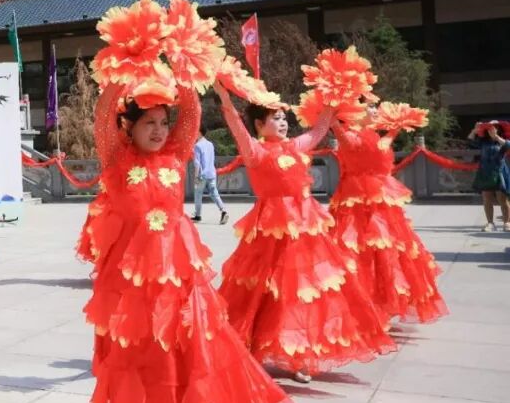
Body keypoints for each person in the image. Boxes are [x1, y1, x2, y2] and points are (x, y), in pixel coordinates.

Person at [77, 85, 299, 403]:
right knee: (133, 356)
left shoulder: (177, 155)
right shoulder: (116, 157)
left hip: (177, 273)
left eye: (164, 123)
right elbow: (102, 115)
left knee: (178, 355)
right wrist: (121, 77)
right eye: (149, 123)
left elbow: (192, 113)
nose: (159, 131)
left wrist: (183, 73)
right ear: (129, 127)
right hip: (128, 279)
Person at [213, 84, 397, 383]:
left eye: (284, 118)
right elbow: (237, 128)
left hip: (305, 230)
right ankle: (253, 346)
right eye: (275, 118)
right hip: (271, 232)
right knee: (264, 292)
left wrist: (331, 103)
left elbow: (318, 130)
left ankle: (298, 354)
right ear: (259, 125)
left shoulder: (296, 147)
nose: (283, 122)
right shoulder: (255, 151)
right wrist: (225, 99)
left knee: (302, 291)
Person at [330, 108, 448, 323]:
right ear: (355, 112)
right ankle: (362, 306)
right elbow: (342, 136)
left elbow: (385, 143)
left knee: (389, 252)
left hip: (383, 202)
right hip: (356, 202)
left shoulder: (376, 136)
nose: (375, 110)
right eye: (368, 107)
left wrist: (398, 125)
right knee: (359, 251)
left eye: (375, 107)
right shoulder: (349, 136)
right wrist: (333, 119)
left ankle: (383, 304)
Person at [467, 120, 510, 232]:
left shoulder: (501, 141)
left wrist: (496, 137)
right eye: (490, 128)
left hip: (499, 172)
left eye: (495, 128)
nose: (492, 129)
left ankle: (507, 222)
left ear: (499, 129)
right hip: (485, 172)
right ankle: (490, 223)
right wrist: (474, 131)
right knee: (487, 199)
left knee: (502, 199)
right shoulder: (483, 142)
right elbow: (470, 142)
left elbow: (508, 145)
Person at [191, 125, 228, 224]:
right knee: (214, 194)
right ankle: (223, 211)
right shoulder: (210, 144)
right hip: (211, 173)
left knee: (198, 194)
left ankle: (198, 216)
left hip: (201, 175)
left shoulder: (197, 146)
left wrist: (196, 177)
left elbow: (197, 163)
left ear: (199, 132)